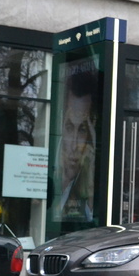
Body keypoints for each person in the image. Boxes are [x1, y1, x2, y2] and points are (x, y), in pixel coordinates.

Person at [53, 66, 98, 222]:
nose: (73, 146)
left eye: (82, 130)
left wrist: (90, 176)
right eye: (69, 127)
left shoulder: (91, 170)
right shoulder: (50, 169)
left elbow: (92, 218)